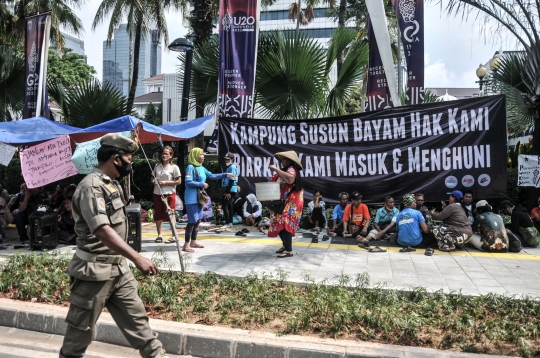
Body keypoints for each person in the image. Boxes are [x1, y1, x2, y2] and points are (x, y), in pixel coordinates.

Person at [59, 133, 168, 358]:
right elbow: (102, 230)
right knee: (79, 334)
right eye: (128, 156)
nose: (131, 161)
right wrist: (136, 257)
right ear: (116, 159)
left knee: (140, 324)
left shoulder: (112, 184)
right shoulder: (91, 187)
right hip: (93, 273)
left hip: (118, 270)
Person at [184, 147, 234, 253]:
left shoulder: (202, 168)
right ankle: (186, 244)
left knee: (198, 220)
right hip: (191, 198)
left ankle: (193, 241)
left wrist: (225, 175)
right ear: (195, 155)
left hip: (200, 198)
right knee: (192, 221)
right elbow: (188, 182)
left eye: (203, 154)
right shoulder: (190, 167)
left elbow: (212, 176)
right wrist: (201, 184)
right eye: (201, 154)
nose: (203, 156)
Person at [268, 151, 304, 258]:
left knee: (285, 223)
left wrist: (275, 169)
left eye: (283, 159)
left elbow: (290, 179)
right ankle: (285, 245)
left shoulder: (291, 170)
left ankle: (289, 250)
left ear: (289, 161)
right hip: (282, 201)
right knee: (276, 221)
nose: (282, 162)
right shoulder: (283, 171)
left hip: (293, 201)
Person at [152, 146, 181, 244]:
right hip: (157, 193)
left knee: (170, 214)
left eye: (166, 153)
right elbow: (152, 177)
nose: (164, 155)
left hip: (169, 194)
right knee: (158, 214)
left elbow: (179, 181)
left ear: (171, 155)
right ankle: (159, 235)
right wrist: (153, 181)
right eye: (163, 153)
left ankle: (173, 235)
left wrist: (166, 182)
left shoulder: (174, 167)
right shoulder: (157, 166)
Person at [220, 152, 239, 229]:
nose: (226, 161)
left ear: (232, 159)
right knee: (230, 206)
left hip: (230, 188)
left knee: (225, 206)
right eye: (225, 159)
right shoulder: (229, 167)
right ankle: (230, 222)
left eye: (228, 159)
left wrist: (227, 191)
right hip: (230, 188)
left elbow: (232, 180)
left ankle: (228, 223)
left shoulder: (232, 167)